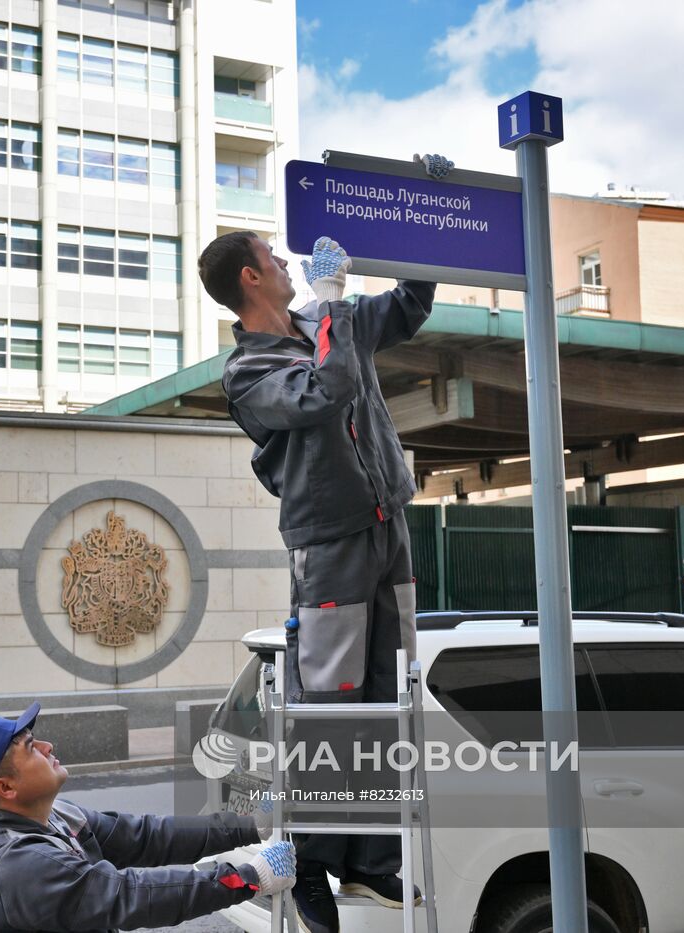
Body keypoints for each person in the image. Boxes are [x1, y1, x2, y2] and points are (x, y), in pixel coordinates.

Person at [200, 231, 434, 933]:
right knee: (331, 705)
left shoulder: (331, 322)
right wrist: (332, 298)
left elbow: (412, 305)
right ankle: (304, 855)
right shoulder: (248, 371)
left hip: (387, 524)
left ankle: (368, 861)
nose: (288, 262)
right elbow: (324, 392)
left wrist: (417, 227)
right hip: (328, 542)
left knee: (388, 696)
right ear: (251, 277)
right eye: (274, 256)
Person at [0, 701, 297, 933]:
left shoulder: (58, 816)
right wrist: (250, 878)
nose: (47, 747)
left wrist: (249, 825)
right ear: (6, 788)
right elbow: (126, 895)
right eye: (30, 748)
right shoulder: (17, 863)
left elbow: (146, 836)